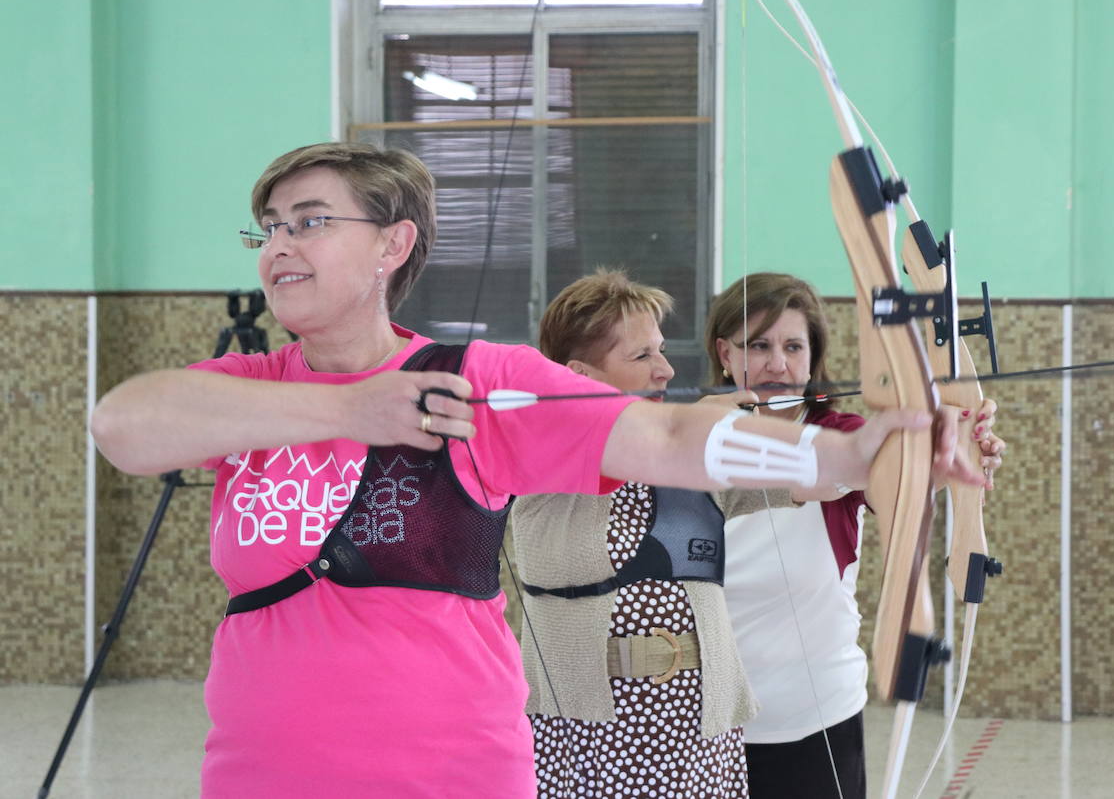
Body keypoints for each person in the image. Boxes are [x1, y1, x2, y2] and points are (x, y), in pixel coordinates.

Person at [89, 144, 978, 798]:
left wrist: (847, 453)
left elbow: (667, 441)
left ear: (393, 246)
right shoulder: (244, 391)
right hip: (261, 775)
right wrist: (350, 410)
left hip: (452, 774)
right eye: (271, 227)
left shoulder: (481, 383)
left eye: (312, 221)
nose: (280, 243)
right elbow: (122, 425)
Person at [706, 273, 1005, 799]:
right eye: (760, 345)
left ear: (813, 357)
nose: (778, 363)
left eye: (794, 346)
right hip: (709, 726)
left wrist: (950, 444)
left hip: (818, 716)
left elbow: (896, 472)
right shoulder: (686, 442)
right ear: (725, 353)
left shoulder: (841, 436)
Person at [511, 269, 792, 799]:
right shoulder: (541, 458)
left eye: (660, 352)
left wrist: (922, 442)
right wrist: (695, 422)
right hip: (583, 735)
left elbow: (820, 477)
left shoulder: (693, 455)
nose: (664, 369)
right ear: (579, 375)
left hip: (697, 735)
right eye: (642, 357)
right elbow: (606, 446)